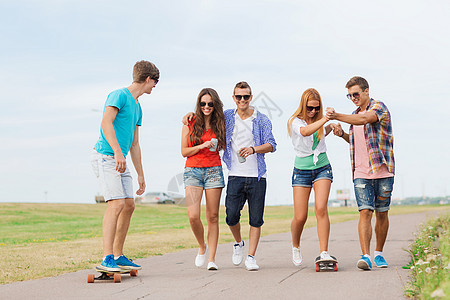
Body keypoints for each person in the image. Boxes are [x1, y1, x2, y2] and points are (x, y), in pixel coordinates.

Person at [183, 81, 277, 271]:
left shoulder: (263, 119)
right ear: (233, 98)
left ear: (251, 98)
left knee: (255, 218)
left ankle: (250, 257)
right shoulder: (226, 117)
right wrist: (188, 115)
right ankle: (237, 242)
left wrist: (253, 149)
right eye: (238, 97)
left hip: (257, 175)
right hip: (234, 174)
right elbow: (206, 118)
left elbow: (272, 145)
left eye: (246, 96)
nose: (242, 100)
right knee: (231, 217)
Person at [91, 60, 159, 272]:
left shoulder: (138, 107)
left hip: (120, 159)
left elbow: (135, 143)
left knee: (129, 205)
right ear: (148, 78)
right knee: (116, 204)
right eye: (154, 82)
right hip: (105, 156)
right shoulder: (118, 95)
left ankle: (118, 255)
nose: (154, 86)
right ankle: (107, 258)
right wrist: (118, 152)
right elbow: (105, 123)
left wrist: (141, 174)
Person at [326, 76, 394, 270]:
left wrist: (336, 115)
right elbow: (357, 141)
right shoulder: (354, 115)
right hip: (361, 171)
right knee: (365, 211)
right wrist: (342, 135)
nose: (353, 98)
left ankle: (379, 254)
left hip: (382, 170)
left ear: (366, 91)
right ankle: (366, 256)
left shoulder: (379, 107)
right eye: (349, 95)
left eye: (355, 94)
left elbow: (365, 119)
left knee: (382, 213)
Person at [287, 88, 338, 266]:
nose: (313, 111)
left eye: (317, 108)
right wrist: (326, 120)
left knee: (321, 208)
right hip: (301, 171)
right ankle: (295, 245)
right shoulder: (294, 121)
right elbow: (305, 132)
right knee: (300, 216)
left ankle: (324, 252)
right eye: (310, 108)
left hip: (322, 167)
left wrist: (332, 126)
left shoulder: (319, 120)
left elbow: (321, 132)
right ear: (303, 105)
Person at [181, 88, 226, 270]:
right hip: (193, 171)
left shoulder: (221, 123)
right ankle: (202, 246)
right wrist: (202, 145)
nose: (206, 107)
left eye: (210, 104)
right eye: (203, 103)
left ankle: (212, 259)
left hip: (214, 170)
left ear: (215, 105)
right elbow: (184, 151)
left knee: (213, 216)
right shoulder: (189, 122)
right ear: (198, 105)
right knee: (193, 216)